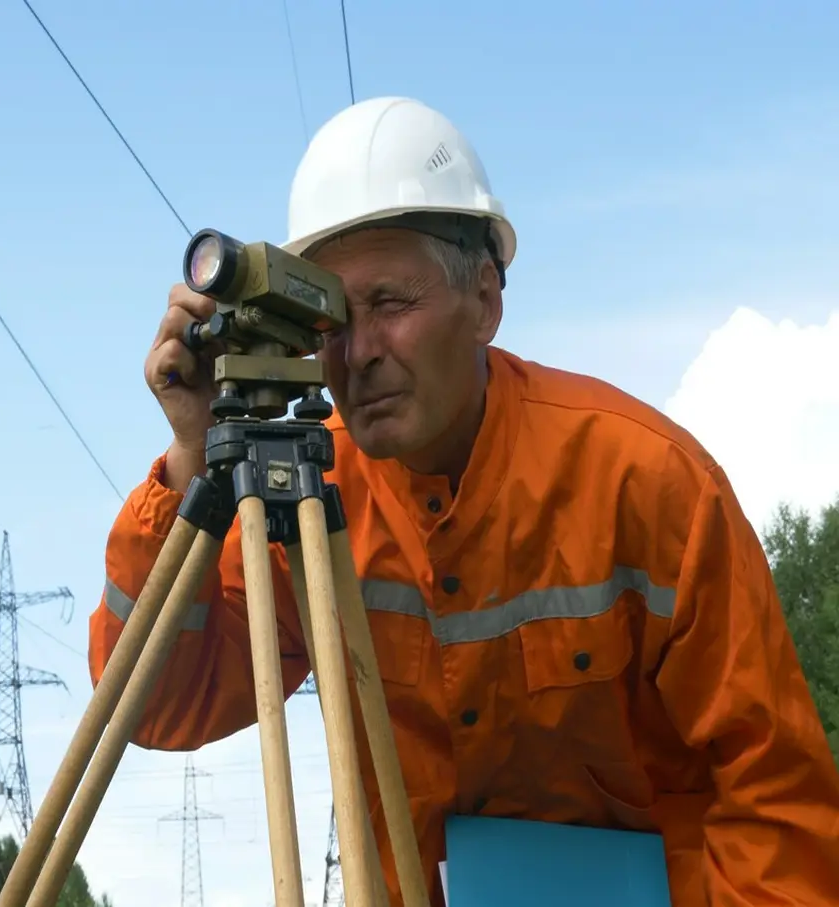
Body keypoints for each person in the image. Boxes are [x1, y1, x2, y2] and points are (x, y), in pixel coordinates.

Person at [86, 96, 839, 905]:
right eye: (335, 316)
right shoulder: (306, 499)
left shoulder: (646, 483)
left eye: (392, 304)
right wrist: (194, 454)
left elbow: (778, 812)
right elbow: (155, 705)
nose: (359, 352)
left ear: (484, 299)